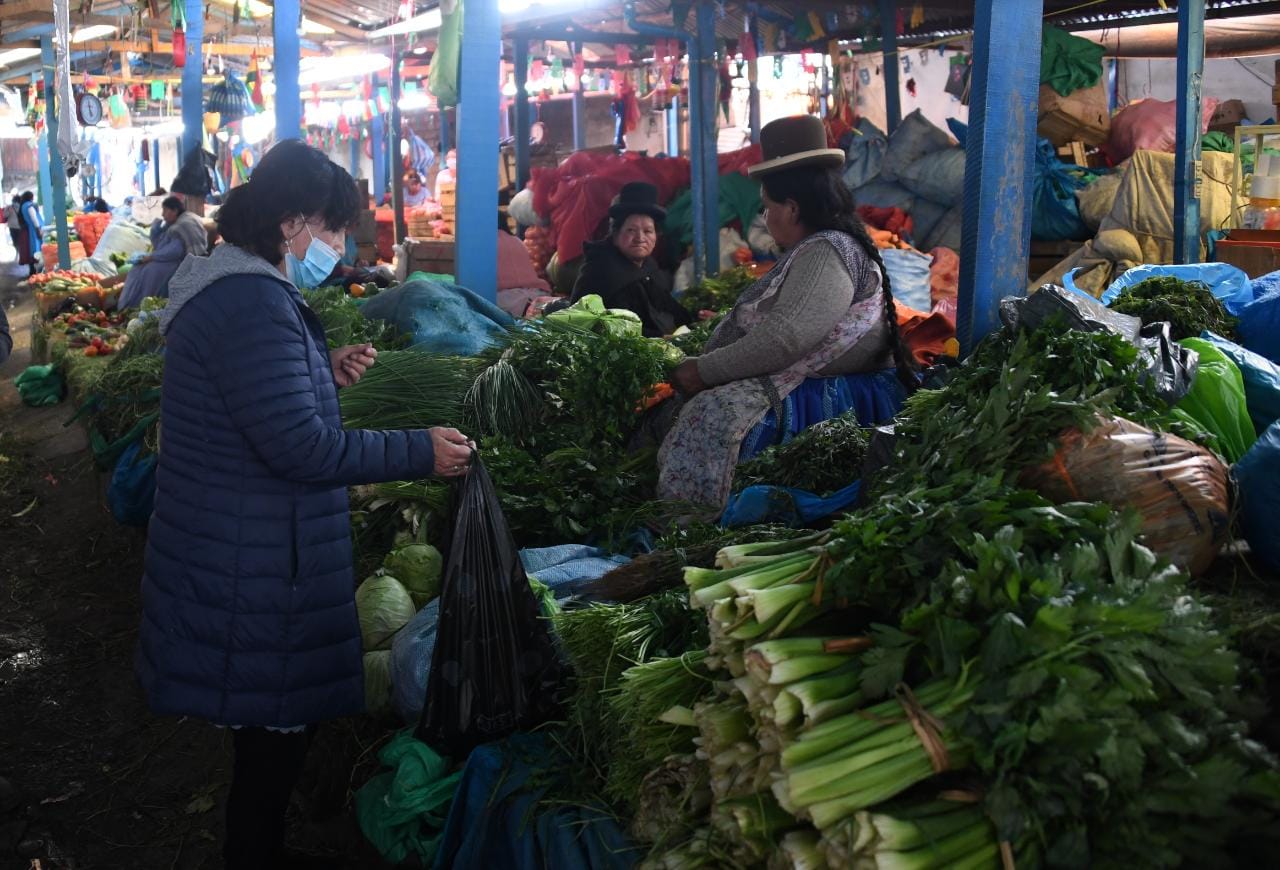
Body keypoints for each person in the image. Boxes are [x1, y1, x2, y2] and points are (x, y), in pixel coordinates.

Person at [134, 139, 476, 870]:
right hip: (253, 564)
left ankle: (256, 850)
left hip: (240, 543)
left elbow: (253, 403)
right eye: (334, 228)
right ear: (292, 223)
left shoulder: (234, 288)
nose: (340, 247)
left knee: (267, 740)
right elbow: (303, 450)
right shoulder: (253, 302)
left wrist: (319, 370)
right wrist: (419, 450)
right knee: (271, 744)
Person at [658, 114, 916, 512]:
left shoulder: (826, 252)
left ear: (792, 209)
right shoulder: (824, 246)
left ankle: (692, 519)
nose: (765, 218)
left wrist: (704, 370)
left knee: (714, 413)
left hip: (832, 400)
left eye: (766, 208)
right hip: (822, 384)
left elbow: (785, 338)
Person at [569, 182, 691, 338]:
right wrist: (657, 338)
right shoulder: (599, 269)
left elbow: (667, 305)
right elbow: (592, 323)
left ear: (656, 236)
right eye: (631, 230)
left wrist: (697, 320)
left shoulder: (648, 266)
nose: (640, 238)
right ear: (615, 235)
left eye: (648, 231)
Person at [119, 196, 209, 309]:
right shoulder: (175, 223)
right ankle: (129, 306)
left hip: (183, 263)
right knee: (138, 268)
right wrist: (155, 229)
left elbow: (175, 251)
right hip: (172, 260)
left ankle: (140, 306)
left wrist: (151, 257)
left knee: (150, 271)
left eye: (165, 210)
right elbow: (160, 245)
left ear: (174, 211)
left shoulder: (183, 224)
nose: (162, 214)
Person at [18, 192, 41, 276]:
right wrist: (38, 230)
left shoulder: (23, 206)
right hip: (33, 229)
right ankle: (37, 270)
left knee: (30, 249)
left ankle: (32, 269)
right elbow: (34, 219)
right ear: (30, 197)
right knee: (35, 249)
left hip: (28, 229)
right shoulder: (29, 206)